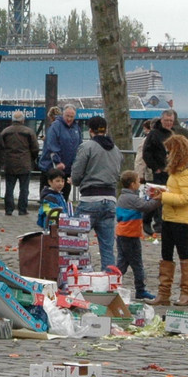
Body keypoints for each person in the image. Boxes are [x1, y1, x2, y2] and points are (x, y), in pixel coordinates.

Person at [159, 134, 188, 306]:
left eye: (169, 152)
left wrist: (163, 196)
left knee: (183, 253)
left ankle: (186, 293)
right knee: (166, 253)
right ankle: (164, 293)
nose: (167, 155)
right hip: (169, 216)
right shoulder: (178, 170)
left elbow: (186, 198)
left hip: (181, 219)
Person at [69, 115, 121, 271]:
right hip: (110, 199)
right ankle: (109, 280)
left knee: (76, 242)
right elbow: (117, 174)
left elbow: (76, 174)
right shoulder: (116, 149)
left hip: (90, 200)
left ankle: (79, 277)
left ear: (90, 130)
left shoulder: (87, 147)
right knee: (107, 247)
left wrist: (76, 180)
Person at [115, 170, 159, 302]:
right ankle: (140, 290)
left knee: (122, 262)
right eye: (138, 182)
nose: (140, 184)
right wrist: (159, 199)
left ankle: (112, 284)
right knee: (137, 264)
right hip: (131, 235)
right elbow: (146, 207)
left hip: (122, 234)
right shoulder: (132, 198)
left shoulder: (122, 197)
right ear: (133, 184)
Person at [0, 110, 39, 216]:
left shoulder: (5, 131)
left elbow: (1, 147)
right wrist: (31, 159)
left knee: (9, 188)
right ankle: (22, 209)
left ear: (12, 120)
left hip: (9, 163)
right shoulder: (29, 132)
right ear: (23, 120)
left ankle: (9, 209)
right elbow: (35, 148)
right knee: (24, 188)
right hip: (24, 163)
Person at [43, 106, 81, 195]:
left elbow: (79, 146)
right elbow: (51, 145)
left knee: (65, 196)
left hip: (68, 169)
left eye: (72, 117)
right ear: (63, 114)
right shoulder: (55, 126)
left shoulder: (76, 128)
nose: (69, 119)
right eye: (67, 116)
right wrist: (57, 161)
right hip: (53, 168)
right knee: (49, 198)